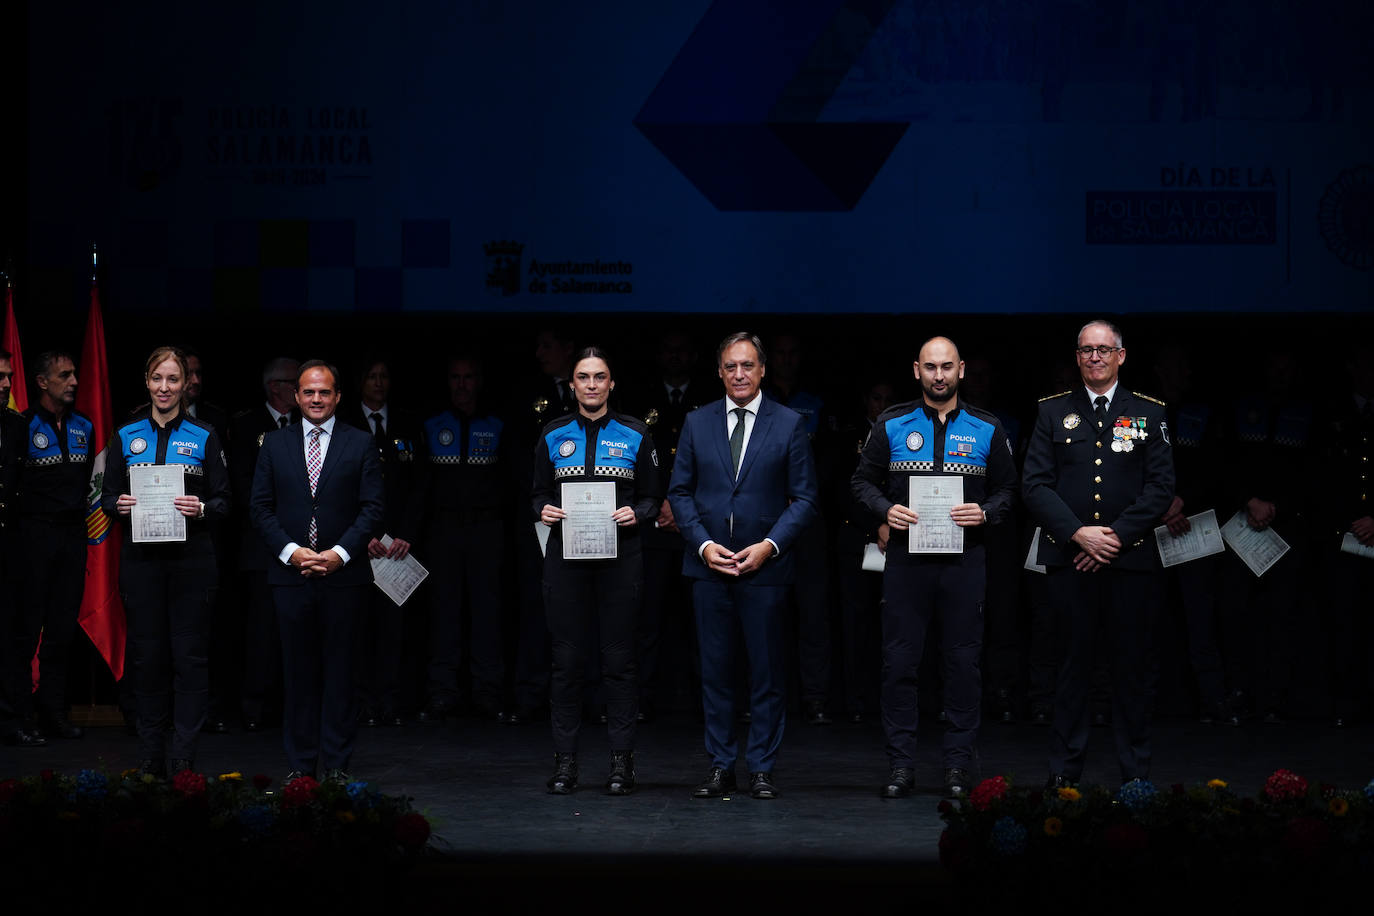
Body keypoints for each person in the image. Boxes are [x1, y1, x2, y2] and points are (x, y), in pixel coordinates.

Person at [851, 337, 1017, 799]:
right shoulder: (891, 423)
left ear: (961, 370)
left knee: (963, 664)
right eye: (930, 367)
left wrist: (987, 512)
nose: (938, 375)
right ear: (916, 370)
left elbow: (1009, 489)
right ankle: (901, 766)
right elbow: (861, 482)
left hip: (965, 561)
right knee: (900, 663)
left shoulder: (987, 427)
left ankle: (958, 767)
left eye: (946, 367)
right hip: (907, 561)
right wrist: (885, 509)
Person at [667, 332, 819, 800]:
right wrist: (702, 545)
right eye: (730, 366)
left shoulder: (789, 423)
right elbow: (679, 493)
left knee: (766, 672)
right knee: (715, 672)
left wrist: (770, 546)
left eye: (747, 365)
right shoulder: (696, 422)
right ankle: (720, 765)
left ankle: (762, 768)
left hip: (765, 569)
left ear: (763, 370)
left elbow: (806, 498)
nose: (739, 374)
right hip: (709, 568)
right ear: (719, 372)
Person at [1022, 320, 1174, 788]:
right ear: (1077, 357)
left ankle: (1135, 778)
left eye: (1104, 350)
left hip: (1130, 564)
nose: (1095, 357)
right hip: (1071, 563)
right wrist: (1078, 535)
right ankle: (1064, 775)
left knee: (1132, 672)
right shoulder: (1052, 411)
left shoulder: (1148, 411)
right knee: (1072, 671)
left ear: (1120, 356)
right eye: (1087, 350)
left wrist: (1113, 538)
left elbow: (1161, 487)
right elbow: (1034, 485)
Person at [533, 348, 660, 794]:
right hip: (566, 561)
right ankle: (565, 763)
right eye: (583, 377)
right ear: (572, 385)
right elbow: (537, 492)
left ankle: (622, 763)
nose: (591, 384)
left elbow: (653, 496)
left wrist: (637, 513)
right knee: (566, 664)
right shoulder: (553, 433)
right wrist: (542, 509)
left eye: (599, 377)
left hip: (620, 561)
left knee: (619, 663)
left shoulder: (635, 433)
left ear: (611, 383)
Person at [250, 360, 383, 782]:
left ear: (338, 396)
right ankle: (301, 768)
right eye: (308, 392)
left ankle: (338, 767)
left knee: (342, 676)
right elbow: (260, 508)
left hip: (344, 578)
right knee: (298, 676)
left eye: (324, 392)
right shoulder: (274, 444)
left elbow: (372, 508)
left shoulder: (361, 443)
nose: (316, 399)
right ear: (296, 396)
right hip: (291, 577)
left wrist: (340, 553)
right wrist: (292, 553)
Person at [102, 347, 230, 775]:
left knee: (189, 660)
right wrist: (117, 505)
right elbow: (105, 496)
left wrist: (203, 508)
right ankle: (150, 755)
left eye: (173, 379)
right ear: (146, 381)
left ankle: (183, 755)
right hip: (141, 565)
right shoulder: (126, 435)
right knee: (148, 660)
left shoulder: (205, 435)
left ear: (185, 384)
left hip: (192, 564)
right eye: (157, 378)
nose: (164, 387)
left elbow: (225, 501)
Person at [409, 354, 509, 722]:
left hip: (487, 529)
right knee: (443, 613)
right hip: (443, 531)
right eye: (455, 377)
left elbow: (510, 482)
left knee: (487, 613)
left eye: (468, 377)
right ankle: (442, 692)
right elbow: (419, 486)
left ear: (479, 381)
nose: (462, 385)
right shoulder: (432, 424)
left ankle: (488, 692)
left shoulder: (497, 423)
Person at [11, 351, 92, 740]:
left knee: (61, 631)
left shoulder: (85, 426)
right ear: (42, 382)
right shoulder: (21, 426)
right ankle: (19, 716)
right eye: (65, 375)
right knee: (25, 631)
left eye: (74, 374)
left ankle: (53, 713)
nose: (74, 381)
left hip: (72, 538)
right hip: (32, 537)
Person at [340, 357, 420, 727]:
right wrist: (361, 535)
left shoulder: (408, 422)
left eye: (383, 376)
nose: (378, 382)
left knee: (395, 629)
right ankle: (361, 701)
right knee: (358, 627)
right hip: (359, 544)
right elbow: (339, 489)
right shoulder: (345, 425)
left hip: (399, 546)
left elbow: (420, 485)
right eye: (371, 376)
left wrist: (407, 534)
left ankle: (391, 700)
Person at [229, 356, 299, 731]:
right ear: (275, 387)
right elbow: (242, 487)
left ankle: (293, 705)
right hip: (261, 545)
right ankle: (256, 706)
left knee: (297, 629)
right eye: (295, 383)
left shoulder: (308, 425)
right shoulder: (246, 426)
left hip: (303, 545)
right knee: (260, 631)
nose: (303, 392)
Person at [0, 350, 43, 747]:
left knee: (15, 637)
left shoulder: (19, 426)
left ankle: (15, 718)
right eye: (0, 376)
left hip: (13, 548)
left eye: (9, 377)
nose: (6, 384)